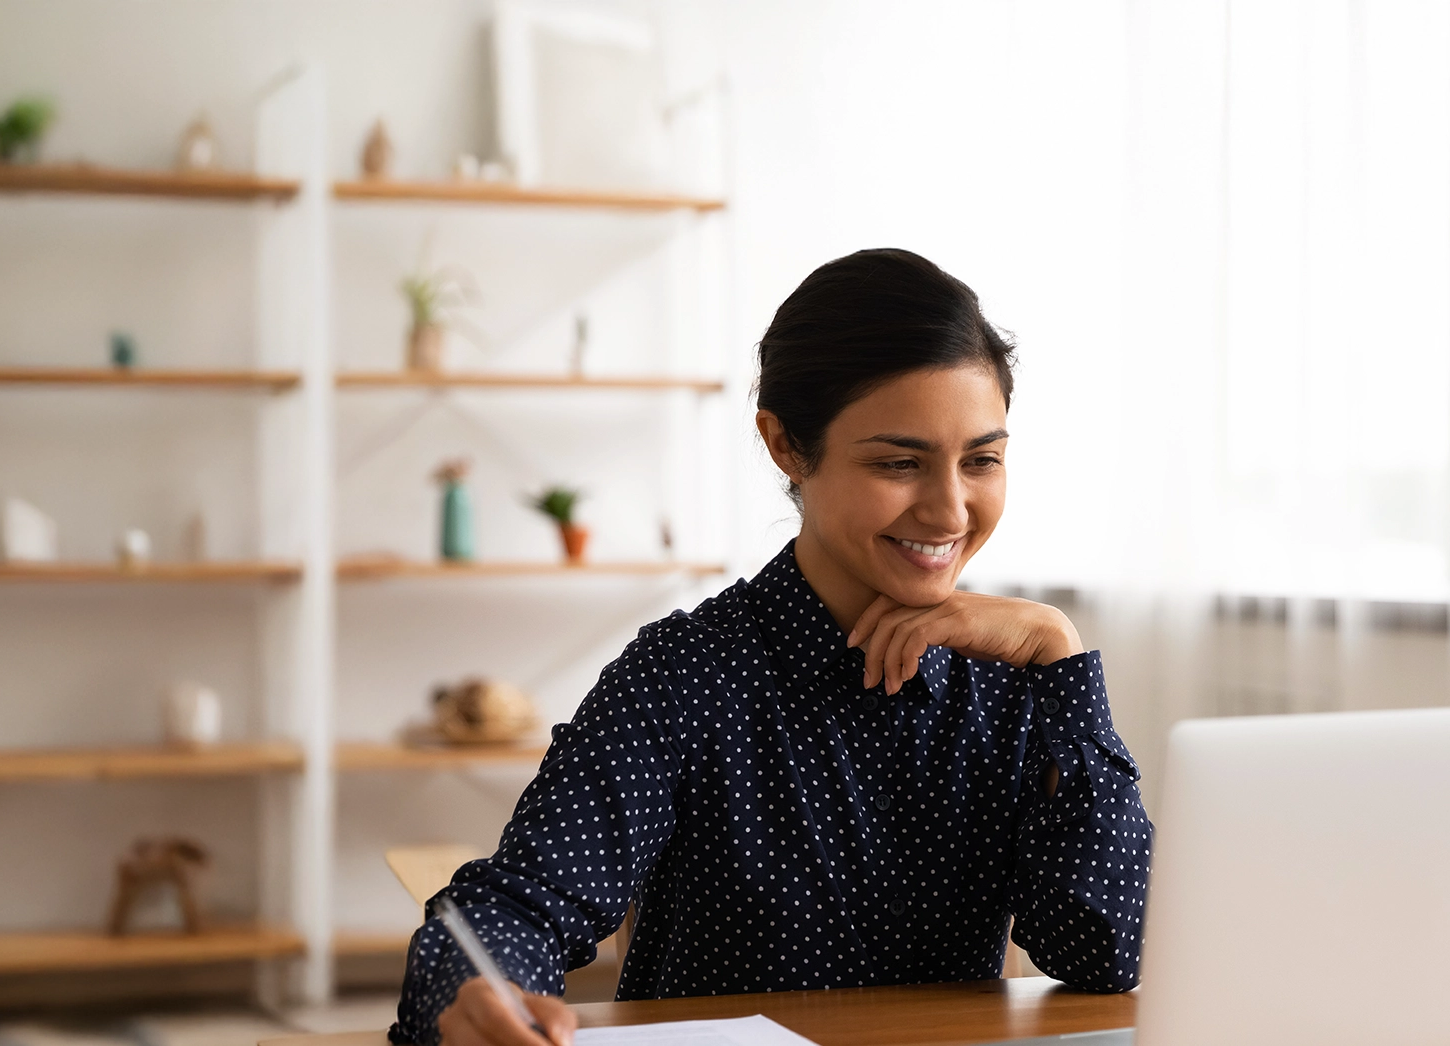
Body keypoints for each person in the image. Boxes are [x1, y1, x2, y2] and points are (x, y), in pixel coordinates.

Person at [391, 249, 1153, 1046]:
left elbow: (1104, 951)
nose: (949, 509)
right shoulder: (685, 676)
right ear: (786, 445)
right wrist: (477, 996)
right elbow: (518, 903)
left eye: (983, 460)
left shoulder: (1015, 682)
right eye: (899, 463)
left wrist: (1062, 655)